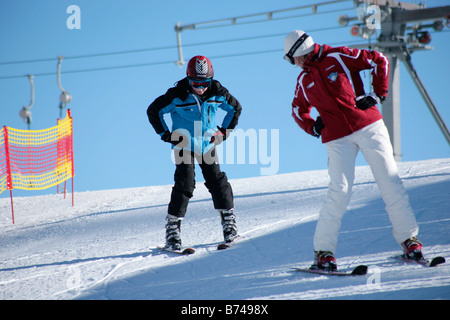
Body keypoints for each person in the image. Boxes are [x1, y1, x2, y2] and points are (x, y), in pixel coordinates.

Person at [284, 30, 423, 271]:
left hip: (368, 125)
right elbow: (298, 110)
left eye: (291, 58)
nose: (292, 64)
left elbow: (379, 59)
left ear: (300, 52)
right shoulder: (304, 81)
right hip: (337, 139)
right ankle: (323, 253)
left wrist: (378, 94)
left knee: (389, 179)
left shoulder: (338, 56)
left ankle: (410, 241)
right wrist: (313, 127)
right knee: (339, 190)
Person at [147, 55, 242, 251]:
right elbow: (154, 110)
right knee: (185, 182)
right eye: (195, 82)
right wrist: (167, 134)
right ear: (188, 78)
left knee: (217, 181)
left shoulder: (218, 93)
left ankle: (229, 224)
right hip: (184, 144)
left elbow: (235, 109)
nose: (200, 87)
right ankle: (173, 231)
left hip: (207, 144)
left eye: (204, 82)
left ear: (211, 79)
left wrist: (223, 132)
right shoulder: (177, 95)